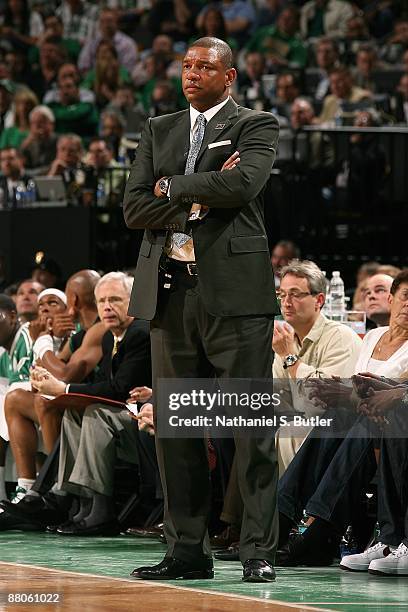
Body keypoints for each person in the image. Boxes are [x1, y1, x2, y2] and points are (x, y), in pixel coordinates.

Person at [123, 36, 280, 583]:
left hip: (236, 297)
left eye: (204, 67)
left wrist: (175, 186)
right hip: (171, 295)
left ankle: (257, 550)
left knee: (248, 426)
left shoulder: (256, 124)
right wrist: (194, 195)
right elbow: (134, 206)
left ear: (229, 76)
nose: (191, 74)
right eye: (186, 66)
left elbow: (244, 183)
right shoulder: (158, 128)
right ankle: (187, 551)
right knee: (178, 433)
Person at [20, 105, 58, 175]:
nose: (37, 126)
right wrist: (23, 148)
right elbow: (21, 170)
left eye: (41, 122)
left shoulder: (60, 142)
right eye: (34, 123)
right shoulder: (27, 144)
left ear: (51, 124)